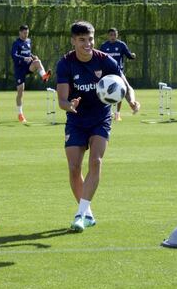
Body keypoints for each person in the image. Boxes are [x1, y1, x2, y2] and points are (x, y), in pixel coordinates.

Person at [56, 21, 140, 232]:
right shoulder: (65, 63)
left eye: (91, 39)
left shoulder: (106, 61)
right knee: (74, 168)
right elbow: (61, 101)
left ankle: (80, 214)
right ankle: (88, 213)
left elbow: (125, 85)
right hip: (76, 120)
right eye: (82, 40)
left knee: (96, 160)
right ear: (73, 41)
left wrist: (131, 100)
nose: (87, 44)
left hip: (100, 119)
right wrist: (70, 105)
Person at [11, 24, 51, 123]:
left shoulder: (28, 41)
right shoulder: (16, 43)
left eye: (27, 33)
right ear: (20, 32)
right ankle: (20, 114)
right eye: (24, 33)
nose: (26, 35)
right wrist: (24, 58)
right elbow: (14, 56)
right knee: (20, 91)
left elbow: (28, 53)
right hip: (20, 69)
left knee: (38, 62)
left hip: (28, 66)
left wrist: (33, 56)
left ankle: (44, 77)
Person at [99, 27, 136, 121]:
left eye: (114, 35)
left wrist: (132, 56)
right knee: (106, 92)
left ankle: (117, 114)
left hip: (118, 72)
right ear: (108, 36)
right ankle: (107, 112)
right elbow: (99, 59)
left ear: (117, 35)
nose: (113, 37)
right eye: (111, 35)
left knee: (120, 91)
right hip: (106, 74)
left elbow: (128, 55)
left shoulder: (121, 45)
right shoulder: (104, 46)